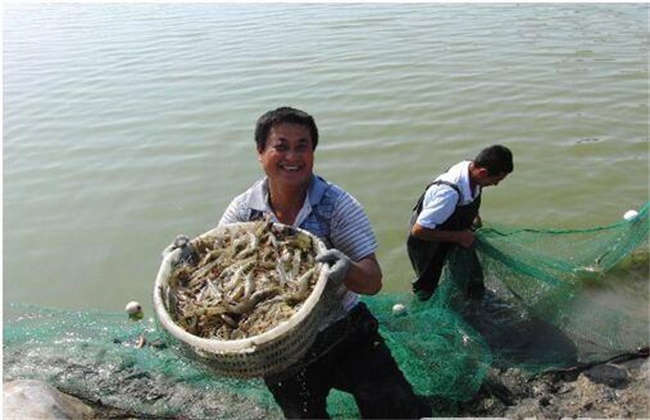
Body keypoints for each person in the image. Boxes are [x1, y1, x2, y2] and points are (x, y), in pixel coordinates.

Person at [214, 107, 429, 418]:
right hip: (280, 347)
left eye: (302, 146)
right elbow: (219, 266)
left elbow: (373, 281)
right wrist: (186, 254)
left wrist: (347, 270)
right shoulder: (244, 211)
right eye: (281, 146)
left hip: (344, 330)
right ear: (260, 153)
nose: (293, 156)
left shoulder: (337, 205)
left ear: (313, 153)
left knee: (396, 407)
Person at [407, 145, 514, 302]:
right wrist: (459, 237)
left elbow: (470, 196)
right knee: (428, 289)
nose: (496, 184)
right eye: (496, 180)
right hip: (427, 241)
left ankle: (472, 302)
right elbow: (419, 230)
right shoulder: (448, 193)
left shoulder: (472, 171)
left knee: (471, 277)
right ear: (483, 172)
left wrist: (474, 216)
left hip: (452, 229)